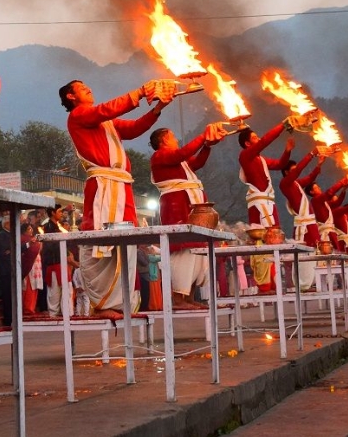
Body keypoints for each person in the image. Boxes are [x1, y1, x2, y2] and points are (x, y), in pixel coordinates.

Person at [60, 79, 169, 319]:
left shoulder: (105, 121)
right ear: (70, 96)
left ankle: (122, 303)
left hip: (122, 185)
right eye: (81, 86)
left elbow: (133, 129)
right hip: (103, 186)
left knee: (127, 243)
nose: (89, 87)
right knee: (102, 241)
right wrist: (140, 92)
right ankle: (101, 304)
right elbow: (105, 109)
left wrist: (157, 109)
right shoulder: (79, 115)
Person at [149, 123, 226, 310]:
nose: (176, 139)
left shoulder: (179, 161)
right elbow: (180, 154)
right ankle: (178, 299)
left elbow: (197, 163)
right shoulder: (160, 156)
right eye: (173, 135)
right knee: (184, 250)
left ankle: (189, 297)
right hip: (176, 205)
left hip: (189, 204)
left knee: (196, 251)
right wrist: (203, 136)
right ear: (164, 139)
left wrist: (207, 145)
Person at [37, 206, 72, 317]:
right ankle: (53, 316)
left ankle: (67, 315)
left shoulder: (59, 226)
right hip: (53, 263)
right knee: (54, 294)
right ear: (52, 213)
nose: (62, 213)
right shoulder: (47, 227)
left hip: (62, 263)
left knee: (67, 291)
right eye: (59, 211)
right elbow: (49, 247)